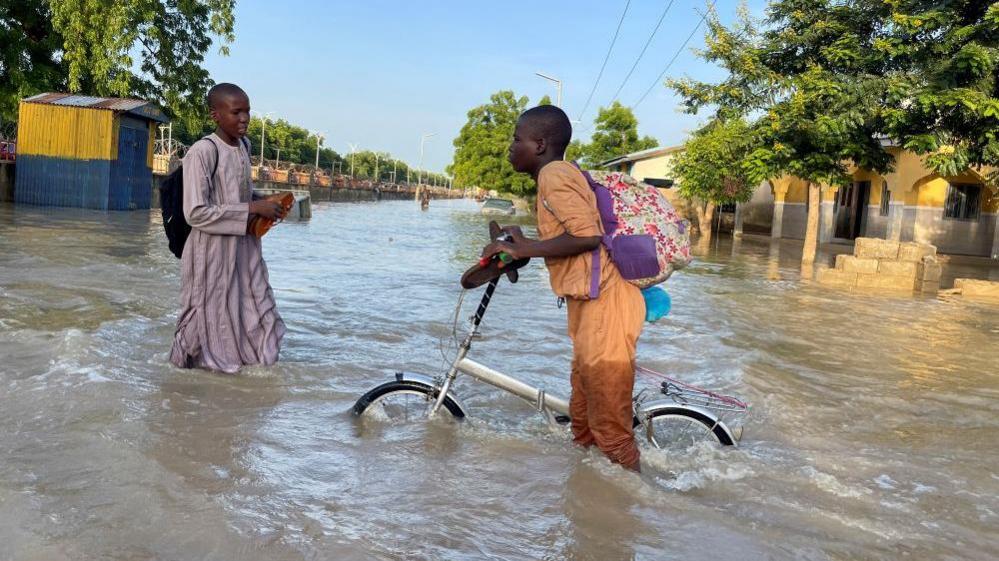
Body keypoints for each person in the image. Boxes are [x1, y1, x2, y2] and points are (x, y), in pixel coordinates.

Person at [481, 105, 645, 471]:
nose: (510, 147)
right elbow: (573, 235)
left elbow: (587, 236)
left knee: (609, 426)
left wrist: (527, 249)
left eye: (516, 139)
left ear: (539, 144)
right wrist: (525, 244)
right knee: (583, 421)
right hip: (591, 304)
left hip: (606, 304)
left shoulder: (553, 175)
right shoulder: (556, 176)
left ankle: (631, 513)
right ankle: (590, 505)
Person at [170, 83, 288, 374]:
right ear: (216, 116)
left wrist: (266, 203)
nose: (245, 118)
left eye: (247, 111)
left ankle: (253, 372)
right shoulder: (203, 152)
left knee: (258, 307)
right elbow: (196, 212)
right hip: (211, 253)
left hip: (244, 250)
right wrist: (252, 208)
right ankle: (192, 381)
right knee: (208, 315)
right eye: (236, 112)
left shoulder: (244, 146)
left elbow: (239, 195)